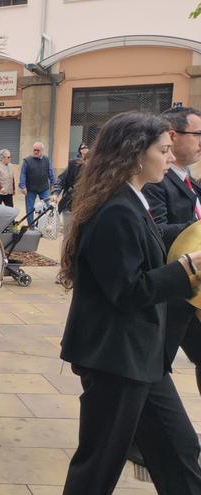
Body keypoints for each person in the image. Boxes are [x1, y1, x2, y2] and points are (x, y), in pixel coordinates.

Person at [59, 112, 201, 494]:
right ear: (137, 154)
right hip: (116, 359)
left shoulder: (130, 202)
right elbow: (127, 291)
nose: (170, 159)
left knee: (179, 448)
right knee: (99, 465)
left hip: (141, 358)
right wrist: (187, 268)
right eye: (164, 150)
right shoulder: (116, 210)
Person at [144, 107, 201, 399]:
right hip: (172, 292)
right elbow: (156, 231)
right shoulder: (154, 181)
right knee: (153, 369)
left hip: (192, 292)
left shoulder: (189, 181)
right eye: (197, 134)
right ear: (173, 135)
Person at [52, 143, 88, 239]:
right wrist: (55, 193)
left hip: (86, 208)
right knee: (68, 236)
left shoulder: (96, 171)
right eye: (83, 148)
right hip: (70, 206)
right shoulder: (73, 165)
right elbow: (61, 180)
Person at [18, 142, 55, 226]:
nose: (35, 152)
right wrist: (23, 186)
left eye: (37, 150)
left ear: (42, 150)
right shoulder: (27, 161)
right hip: (30, 189)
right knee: (30, 208)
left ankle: (42, 225)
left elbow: (51, 173)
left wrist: (53, 184)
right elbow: (23, 174)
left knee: (46, 206)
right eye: (34, 150)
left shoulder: (47, 160)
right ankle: (31, 226)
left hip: (44, 188)